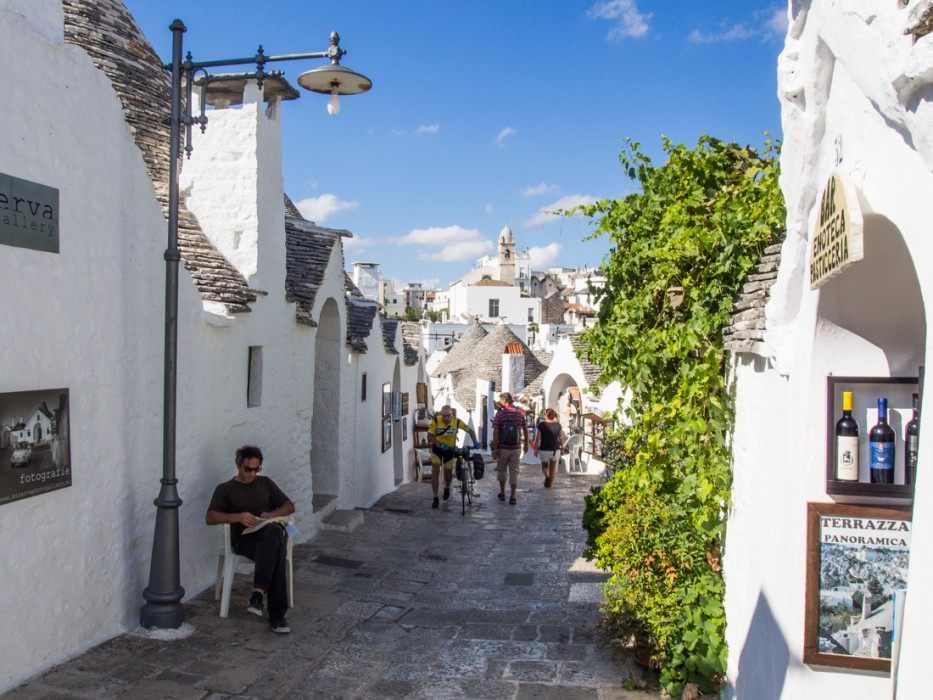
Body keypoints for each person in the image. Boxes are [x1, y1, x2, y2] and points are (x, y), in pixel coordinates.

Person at [206, 445, 295, 634]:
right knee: (277, 547)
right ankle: (277, 616)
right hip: (244, 541)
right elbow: (211, 517)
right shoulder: (225, 489)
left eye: (257, 469)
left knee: (273, 535)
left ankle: (258, 594)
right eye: (248, 469)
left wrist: (271, 514)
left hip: (267, 537)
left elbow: (289, 506)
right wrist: (238, 517)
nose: (252, 473)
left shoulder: (265, 483)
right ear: (238, 465)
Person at [427, 405, 477, 509]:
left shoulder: (457, 421)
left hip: (450, 451)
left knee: (448, 473)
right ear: (441, 414)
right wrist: (439, 444)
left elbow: (470, 430)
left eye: (448, 416)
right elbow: (430, 436)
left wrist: (475, 441)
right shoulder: (436, 420)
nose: (446, 418)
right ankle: (435, 497)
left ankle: (446, 487)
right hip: (437, 450)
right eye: (444, 416)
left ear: (451, 414)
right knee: (435, 471)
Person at [492, 392, 528, 505]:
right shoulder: (520, 413)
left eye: (501, 401)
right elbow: (525, 429)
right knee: (514, 472)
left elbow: (496, 432)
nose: (500, 404)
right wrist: (526, 444)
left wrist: (495, 448)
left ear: (505, 401)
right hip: (516, 448)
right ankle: (513, 496)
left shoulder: (500, 414)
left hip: (503, 448)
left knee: (502, 471)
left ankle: (502, 493)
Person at [534, 408, 566, 488]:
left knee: (544, 466)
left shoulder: (541, 425)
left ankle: (547, 477)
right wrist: (562, 447)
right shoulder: (558, 425)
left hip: (544, 449)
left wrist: (535, 449)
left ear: (546, 415)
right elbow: (561, 437)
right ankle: (550, 484)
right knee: (553, 468)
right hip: (555, 449)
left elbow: (538, 438)